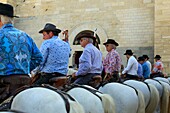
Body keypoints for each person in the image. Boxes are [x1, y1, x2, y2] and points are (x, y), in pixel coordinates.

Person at [0, 3, 43, 102]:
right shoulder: (25, 36)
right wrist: (24, 67)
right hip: (25, 81)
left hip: (4, 84)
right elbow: (38, 58)